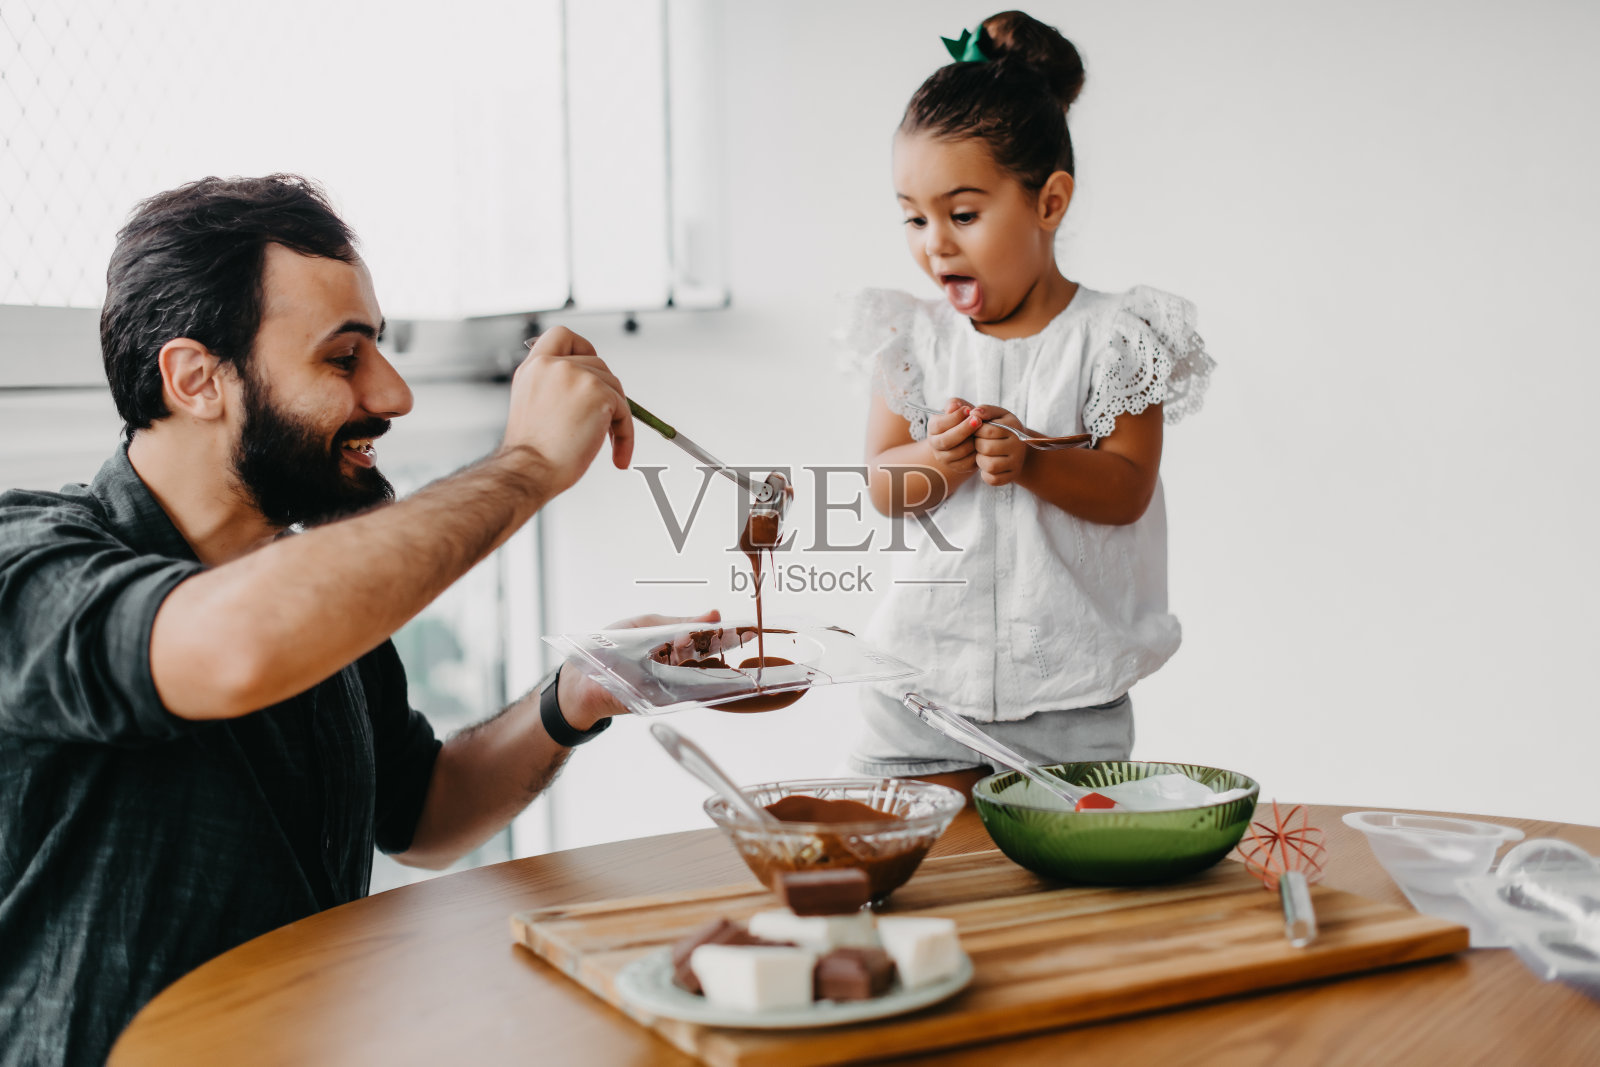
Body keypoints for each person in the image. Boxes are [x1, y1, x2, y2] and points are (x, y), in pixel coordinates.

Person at [0, 175, 712, 1066]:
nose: (395, 395)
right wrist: (528, 463)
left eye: (382, 347)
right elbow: (228, 647)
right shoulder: (28, 560)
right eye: (344, 358)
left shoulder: (315, 579)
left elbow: (423, 814)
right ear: (195, 379)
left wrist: (580, 691)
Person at [841, 12, 1215, 794]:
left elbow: (1127, 488)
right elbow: (882, 484)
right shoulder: (910, 338)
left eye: (962, 214)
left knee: (1059, 863)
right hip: (918, 693)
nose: (935, 243)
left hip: (1068, 700)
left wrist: (1034, 460)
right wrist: (937, 458)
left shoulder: (1117, 337)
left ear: (1049, 202)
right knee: (917, 859)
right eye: (914, 216)